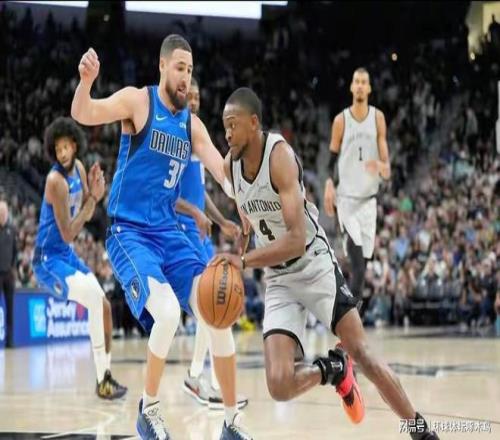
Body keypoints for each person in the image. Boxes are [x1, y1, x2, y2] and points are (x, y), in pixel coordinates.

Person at [213, 87, 439, 440]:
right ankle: (333, 368)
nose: (227, 134)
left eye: (233, 125)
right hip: (279, 280)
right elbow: (247, 218)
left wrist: (242, 260)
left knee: (362, 352)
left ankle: (422, 432)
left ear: (254, 123)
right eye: (224, 126)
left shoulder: (279, 157)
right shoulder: (231, 165)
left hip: (312, 263)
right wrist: (240, 246)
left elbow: (295, 239)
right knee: (278, 385)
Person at [71, 35, 251, 439]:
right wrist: (85, 83)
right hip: (129, 232)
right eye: (180, 68)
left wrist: (244, 199)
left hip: (168, 233)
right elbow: (83, 112)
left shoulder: (192, 124)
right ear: (163, 66)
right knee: (168, 312)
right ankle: (148, 410)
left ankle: (231, 421)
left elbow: (221, 170)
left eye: (190, 70)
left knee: (217, 311)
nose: (186, 77)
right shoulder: (139, 101)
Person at [32, 117, 127, 400]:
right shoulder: (55, 182)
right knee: (96, 300)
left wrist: (96, 191)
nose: (62, 153)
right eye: (57, 149)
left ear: (75, 145)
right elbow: (69, 233)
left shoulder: (81, 168)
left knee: (104, 306)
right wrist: (93, 200)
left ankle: (105, 377)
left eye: (65, 147)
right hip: (47, 259)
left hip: (65, 254)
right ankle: (102, 380)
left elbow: (89, 208)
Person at [176, 78, 248, 410]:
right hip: (180, 230)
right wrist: (195, 214)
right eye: (188, 95)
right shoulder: (176, 137)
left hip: (199, 231)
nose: (193, 100)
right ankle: (206, 380)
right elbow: (170, 194)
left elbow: (199, 193)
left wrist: (221, 221)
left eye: (197, 95)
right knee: (210, 304)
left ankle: (198, 377)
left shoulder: (198, 138)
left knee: (213, 303)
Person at [323, 68, 391, 310]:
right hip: (347, 202)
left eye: (364, 82)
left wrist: (381, 167)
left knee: (362, 269)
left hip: (369, 202)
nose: (360, 86)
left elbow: (387, 169)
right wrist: (329, 184)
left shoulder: (378, 118)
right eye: (357, 82)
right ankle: (349, 322)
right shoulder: (341, 121)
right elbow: (330, 161)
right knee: (358, 267)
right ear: (352, 87)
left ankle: (345, 315)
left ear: (369, 88)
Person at [0, 201, 16, 347]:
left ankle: (9, 341)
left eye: (4, 213)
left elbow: (15, 251)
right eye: (1, 213)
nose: (3, 215)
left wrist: (12, 267)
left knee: (10, 309)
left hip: (8, 275)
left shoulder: (12, 229)